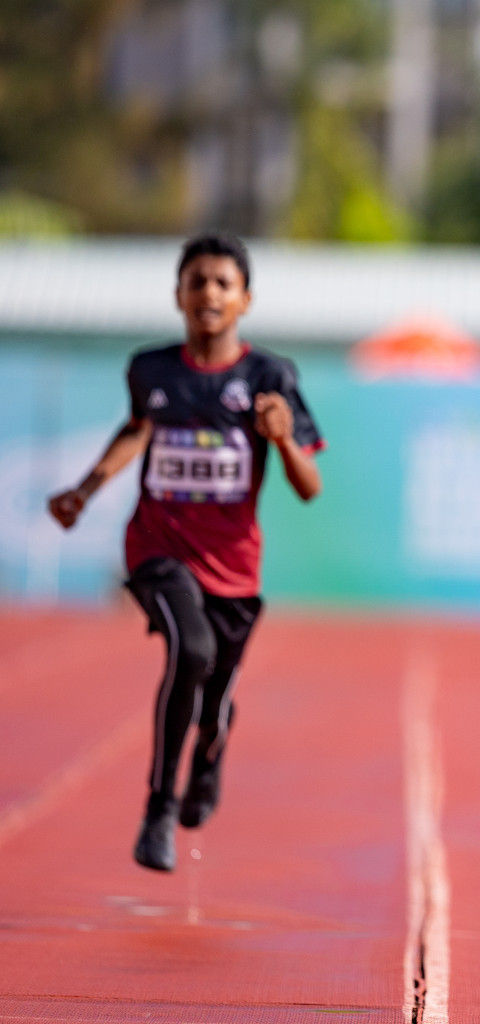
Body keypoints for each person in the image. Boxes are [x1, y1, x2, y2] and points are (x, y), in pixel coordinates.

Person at [48, 233, 324, 872]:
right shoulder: (152, 369)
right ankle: (158, 809)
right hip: (157, 547)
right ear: (178, 294)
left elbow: (309, 489)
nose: (208, 293)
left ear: (245, 300)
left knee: (217, 698)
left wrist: (282, 442)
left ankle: (207, 761)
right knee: (190, 650)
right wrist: (85, 491)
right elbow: (137, 426)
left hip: (233, 567)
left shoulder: (269, 377)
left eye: (222, 283)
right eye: (196, 280)